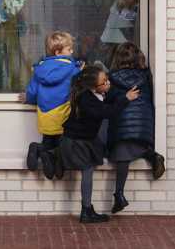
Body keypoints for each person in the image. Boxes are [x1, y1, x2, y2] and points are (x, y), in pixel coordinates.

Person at [58, 66, 139, 223]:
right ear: (93, 87)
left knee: (89, 167)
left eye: (107, 79)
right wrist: (126, 98)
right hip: (76, 142)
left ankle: (87, 208)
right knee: (87, 170)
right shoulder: (86, 100)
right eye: (104, 82)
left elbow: (106, 100)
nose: (108, 83)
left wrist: (119, 94)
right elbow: (106, 112)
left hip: (83, 139)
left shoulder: (94, 93)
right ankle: (86, 210)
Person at [105, 42, 165, 214]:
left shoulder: (113, 77)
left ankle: (119, 195)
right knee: (135, 144)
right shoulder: (146, 76)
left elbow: (108, 101)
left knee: (122, 157)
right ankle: (152, 155)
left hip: (123, 126)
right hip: (144, 124)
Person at [18, 31, 83, 179]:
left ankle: (38, 149)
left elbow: (33, 91)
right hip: (63, 114)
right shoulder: (72, 69)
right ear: (58, 52)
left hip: (45, 115)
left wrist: (27, 97)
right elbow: (79, 88)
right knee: (62, 145)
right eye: (69, 49)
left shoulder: (40, 69)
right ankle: (57, 169)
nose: (72, 52)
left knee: (48, 141)